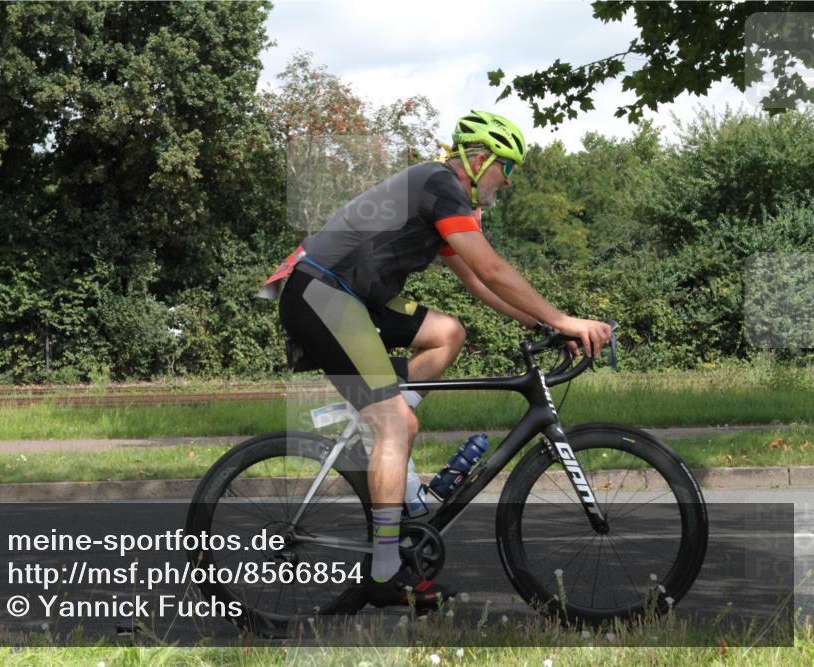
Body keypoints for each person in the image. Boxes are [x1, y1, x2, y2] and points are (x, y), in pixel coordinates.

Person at [261, 110, 613, 609]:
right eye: (507, 167)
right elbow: (492, 269)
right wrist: (566, 319)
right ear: (480, 159)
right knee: (396, 424)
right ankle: (385, 573)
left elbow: (477, 283)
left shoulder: (442, 194)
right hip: (323, 295)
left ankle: (383, 425)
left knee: (447, 333)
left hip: (350, 299)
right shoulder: (439, 184)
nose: (508, 181)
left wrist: (546, 326)